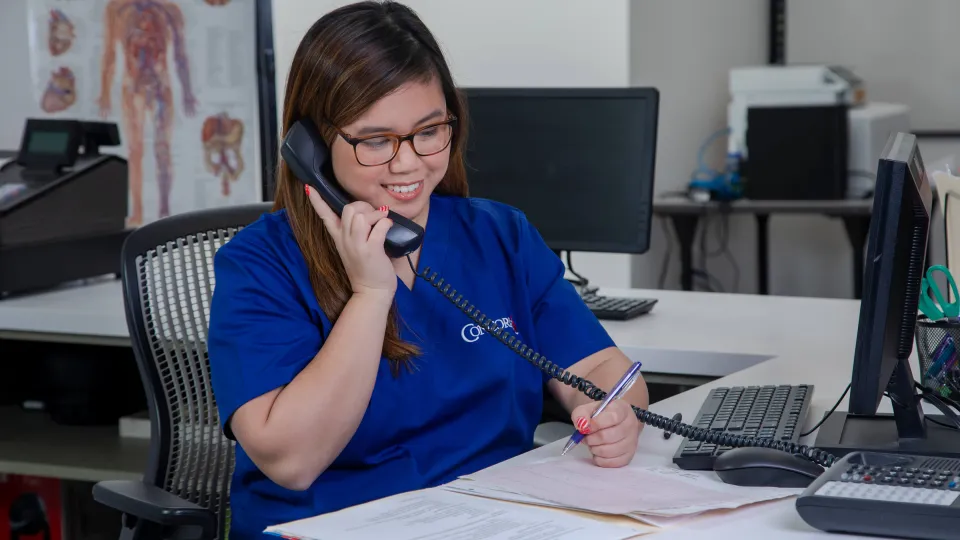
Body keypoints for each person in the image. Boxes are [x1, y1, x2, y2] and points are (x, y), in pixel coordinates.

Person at [206, 2, 650, 538]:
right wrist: (371, 294)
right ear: (314, 147)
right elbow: (291, 461)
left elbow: (601, 365)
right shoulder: (260, 265)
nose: (409, 162)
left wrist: (611, 412)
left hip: (495, 519)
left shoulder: (499, 236)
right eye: (375, 140)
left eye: (429, 130)